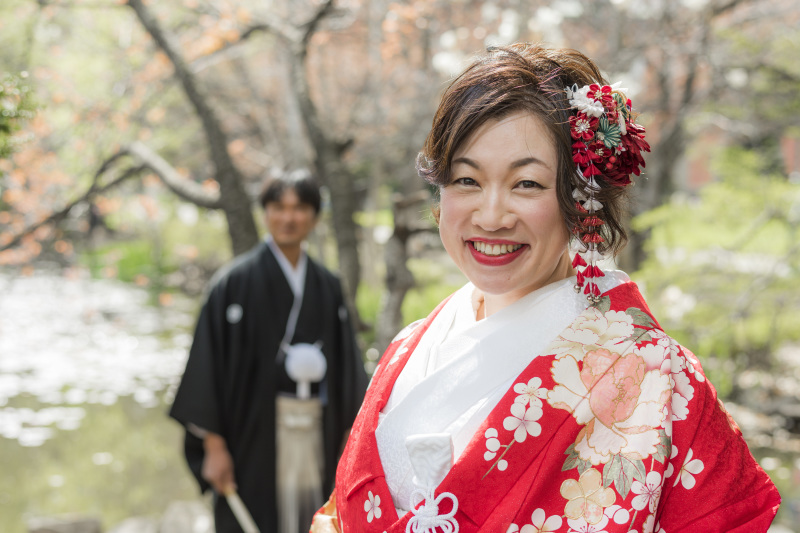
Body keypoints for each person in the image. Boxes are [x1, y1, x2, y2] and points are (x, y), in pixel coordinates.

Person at [311, 44, 781, 532]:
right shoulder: (407, 349)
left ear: (581, 201)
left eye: (528, 184)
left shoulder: (654, 373)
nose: (491, 216)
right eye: (467, 180)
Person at [170, 171, 367, 533]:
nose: (289, 218)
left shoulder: (328, 285)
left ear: (315, 216)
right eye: (279, 207)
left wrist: (349, 444)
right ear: (265, 212)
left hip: (317, 433)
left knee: (316, 516)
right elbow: (206, 368)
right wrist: (214, 447)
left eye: (300, 208)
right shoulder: (232, 284)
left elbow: (348, 374)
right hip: (250, 434)